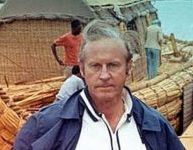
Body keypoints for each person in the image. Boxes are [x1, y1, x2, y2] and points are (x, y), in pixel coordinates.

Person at [14, 20, 184, 150]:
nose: (104, 75)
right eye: (95, 66)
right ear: (82, 69)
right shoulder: (46, 125)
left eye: (113, 65)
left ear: (128, 68)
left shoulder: (154, 125)